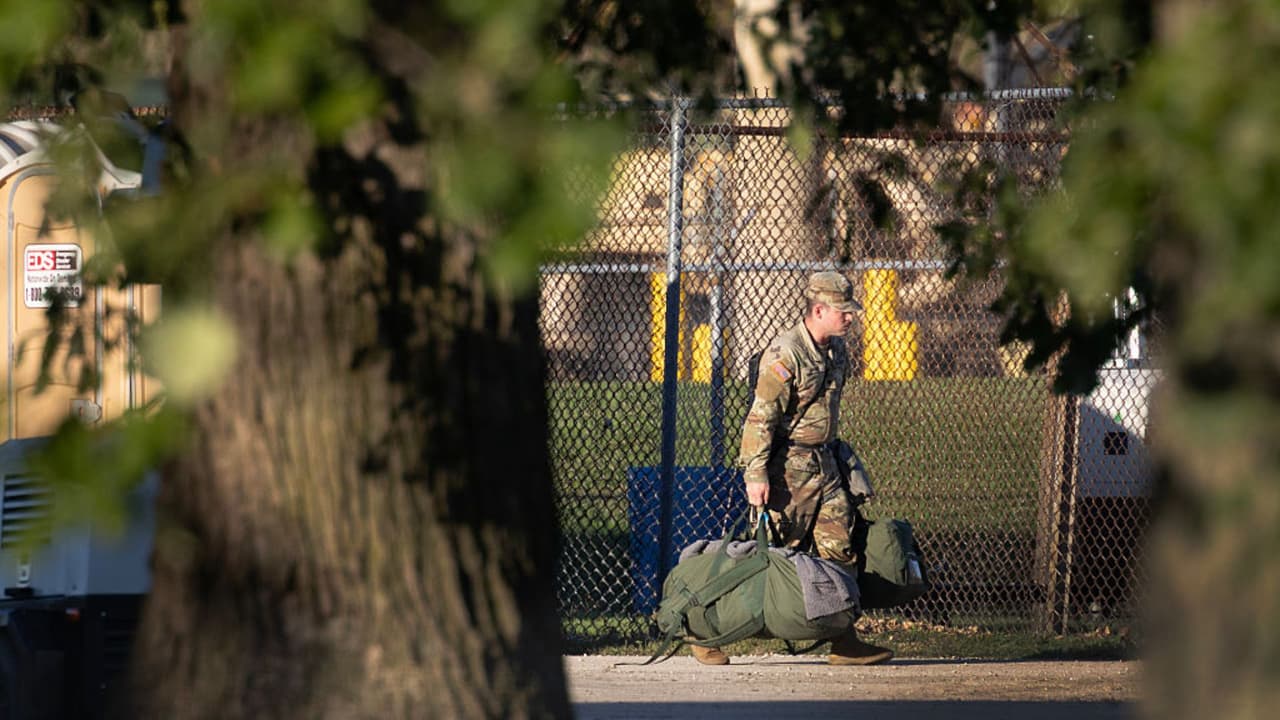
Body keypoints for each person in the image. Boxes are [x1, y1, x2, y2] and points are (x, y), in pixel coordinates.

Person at [690, 271, 894, 666]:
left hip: (825, 464)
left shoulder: (836, 352)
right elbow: (761, 417)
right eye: (842, 311)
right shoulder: (785, 353)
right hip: (788, 470)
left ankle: (843, 639)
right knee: (768, 556)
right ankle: (704, 629)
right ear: (818, 311)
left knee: (840, 550)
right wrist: (755, 474)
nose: (850, 317)